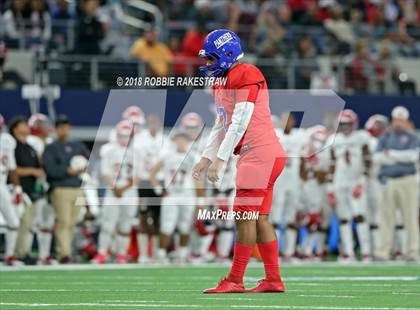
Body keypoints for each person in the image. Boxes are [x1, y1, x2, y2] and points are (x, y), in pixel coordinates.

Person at [192, 29, 286, 293]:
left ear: (227, 54)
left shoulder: (246, 73)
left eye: (211, 58)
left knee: (244, 217)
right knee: (259, 218)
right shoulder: (221, 81)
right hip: (262, 153)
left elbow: (240, 120)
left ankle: (235, 279)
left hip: (258, 153)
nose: (207, 64)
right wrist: (206, 157)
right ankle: (273, 280)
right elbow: (221, 123)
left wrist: (221, 159)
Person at [43, 116, 89, 263]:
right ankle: (64, 254)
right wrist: (67, 171)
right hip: (60, 188)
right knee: (63, 221)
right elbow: (50, 170)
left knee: (73, 222)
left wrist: (83, 168)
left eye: (67, 127)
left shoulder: (78, 146)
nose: (64, 130)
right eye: (61, 127)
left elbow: (90, 161)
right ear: (56, 129)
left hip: (78, 188)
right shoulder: (51, 148)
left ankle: (65, 251)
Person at [375, 106, 419, 262]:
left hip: (407, 180)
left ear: (406, 121)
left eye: (402, 120)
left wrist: (392, 154)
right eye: (396, 120)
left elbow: (413, 157)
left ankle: (413, 252)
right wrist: (401, 157)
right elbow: (378, 158)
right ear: (392, 120)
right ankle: (383, 252)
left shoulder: (413, 137)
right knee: (386, 218)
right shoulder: (385, 136)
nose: (399, 123)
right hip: (389, 180)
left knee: (410, 218)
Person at [327, 109, 372, 262]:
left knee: (359, 216)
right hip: (340, 182)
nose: (345, 127)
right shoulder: (335, 140)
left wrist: (362, 181)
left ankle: (366, 252)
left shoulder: (361, 137)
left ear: (354, 123)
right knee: (344, 218)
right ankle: (348, 252)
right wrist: (330, 187)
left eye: (347, 124)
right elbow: (332, 164)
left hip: (355, 182)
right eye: (342, 124)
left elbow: (367, 160)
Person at [91, 120, 137, 264]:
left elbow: (138, 175)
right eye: (122, 135)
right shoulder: (109, 150)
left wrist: (122, 188)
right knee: (107, 225)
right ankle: (102, 253)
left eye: (127, 135)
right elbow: (105, 173)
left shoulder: (137, 152)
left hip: (129, 193)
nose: (124, 138)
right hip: (113, 192)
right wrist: (115, 188)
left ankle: (121, 254)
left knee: (125, 225)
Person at [9, 116, 45, 263]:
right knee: (16, 222)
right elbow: (12, 169)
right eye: (23, 124)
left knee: (29, 224)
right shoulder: (12, 145)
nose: (26, 126)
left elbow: (39, 167)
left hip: (32, 189)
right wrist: (32, 171)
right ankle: (14, 253)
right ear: (15, 128)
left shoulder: (30, 147)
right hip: (16, 189)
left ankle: (24, 252)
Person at [26, 113, 56, 265]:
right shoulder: (33, 141)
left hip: (49, 184)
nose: (47, 127)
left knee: (48, 221)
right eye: (43, 124)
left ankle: (44, 255)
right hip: (36, 184)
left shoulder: (50, 141)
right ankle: (27, 253)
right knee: (34, 221)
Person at [0, 113, 22, 265]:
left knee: (13, 222)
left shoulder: (6, 140)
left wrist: (17, 187)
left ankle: (9, 256)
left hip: (1, 184)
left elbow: (12, 167)